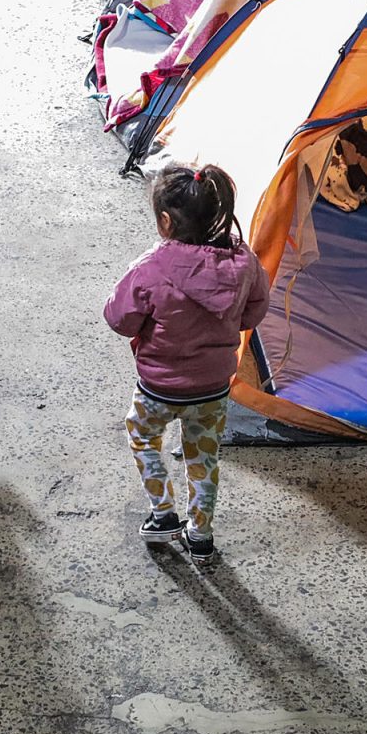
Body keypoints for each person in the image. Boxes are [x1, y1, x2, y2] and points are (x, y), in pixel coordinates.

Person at [103, 164, 270, 566]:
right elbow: (255, 310)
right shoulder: (243, 262)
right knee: (203, 458)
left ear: (165, 221)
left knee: (142, 437)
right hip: (213, 388)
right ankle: (201, 535)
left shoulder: (150, 268)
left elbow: (118, 318)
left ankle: (163, 514)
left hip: (158, 388)